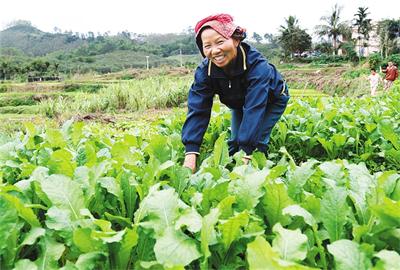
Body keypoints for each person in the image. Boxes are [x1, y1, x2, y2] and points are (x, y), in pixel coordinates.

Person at [182, 14, 289, 173]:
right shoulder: (205, 72)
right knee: (234, 142)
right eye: (207, 46)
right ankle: (230, 171)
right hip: (239, 101)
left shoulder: (258, 67)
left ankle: (257, 176)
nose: (215, 50)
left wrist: (247, 154)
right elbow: (198, 109)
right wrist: (190, 154)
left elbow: (255, 108)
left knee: (255, 142)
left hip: (272, 99)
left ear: (236, 40)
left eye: (220, 42)